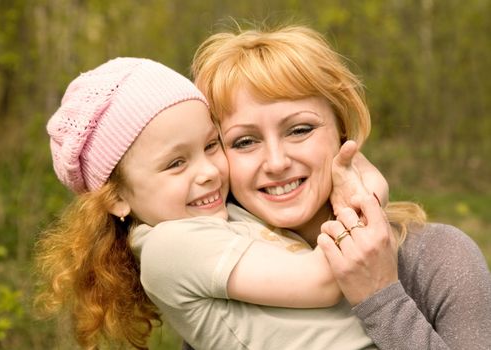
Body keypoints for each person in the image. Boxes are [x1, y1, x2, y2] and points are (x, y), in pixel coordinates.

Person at [35, 57, 386, 350]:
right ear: (117, 198)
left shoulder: (217, 217)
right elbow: (324, 282)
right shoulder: (169, 246)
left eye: (210, 146)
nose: (207, 172)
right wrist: (368, 195)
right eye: (176, 163)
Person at [190, 24, 491, 349]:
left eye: (299, 130)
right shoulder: (222, 275)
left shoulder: (437, 258)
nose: (276, 162)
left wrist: (382, 298)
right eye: (245, 141)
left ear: (342, 131)